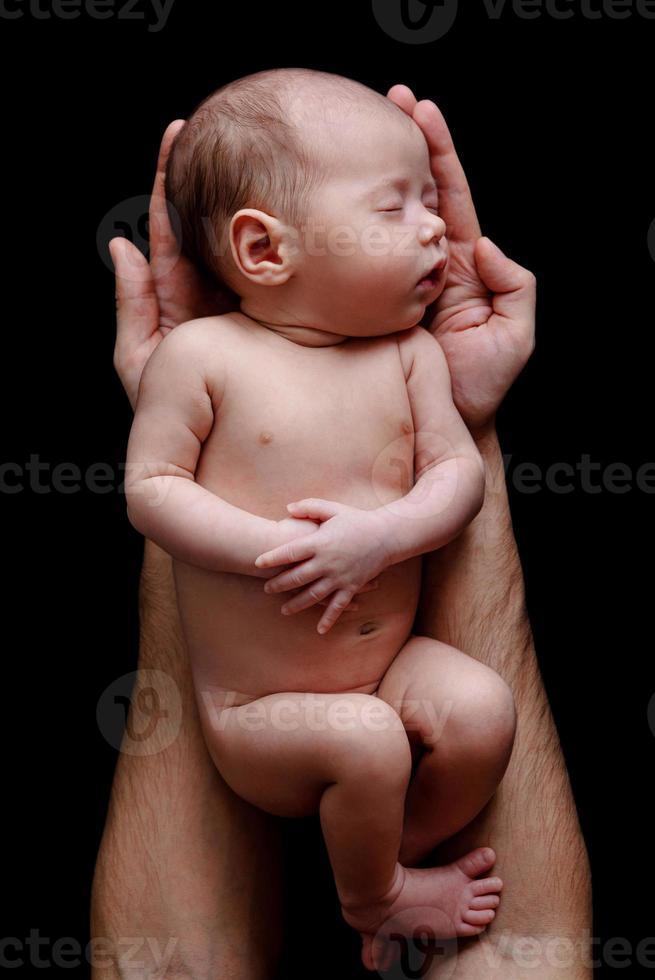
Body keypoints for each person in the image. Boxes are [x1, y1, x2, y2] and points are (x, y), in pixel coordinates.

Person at [91, 81, 592, 980]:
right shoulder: (202, 356)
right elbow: (150, 488)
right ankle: (374, 898)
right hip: (258, 714)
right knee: (361, 739)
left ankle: (374, 849)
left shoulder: (411, 355)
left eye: (430, 204)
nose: (435, 228)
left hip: (388, 669)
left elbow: (457, 477)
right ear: (261, 247)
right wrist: (270, 551)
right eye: (392, 207)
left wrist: (381, 537)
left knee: (481, 710)